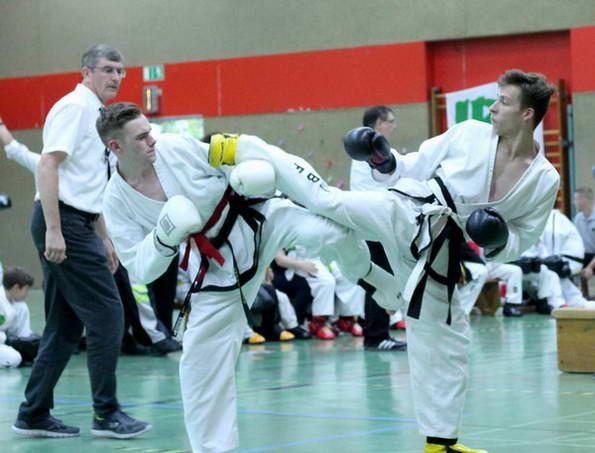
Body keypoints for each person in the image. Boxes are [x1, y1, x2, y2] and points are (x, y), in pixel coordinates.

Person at [208, 69, 560, 453]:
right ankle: (247, 147)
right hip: (407, 207)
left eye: (504, 102)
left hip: (439, 253)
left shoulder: (544, 179)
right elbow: (414, 166)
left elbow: (522, 238)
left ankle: (441, 442)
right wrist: (383, 160)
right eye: (496, 98)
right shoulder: (470, 133)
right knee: (329, 202)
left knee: (448, 343)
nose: (493, 107)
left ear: (528, 114)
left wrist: (498, 240)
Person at [96, 102, 391, 453]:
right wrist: (163, 237)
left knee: (334, 231)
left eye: (150, 130)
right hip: (217, 270)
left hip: (260, 221)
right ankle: (213, 449)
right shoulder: (115, 201)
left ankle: (378, 281)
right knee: (199, 364)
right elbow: (140, 269)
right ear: (116, 147)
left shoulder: (178, 147)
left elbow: (240, 153)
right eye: (142, 137)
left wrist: (256, 172)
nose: (152, 140)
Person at [12, 44, 151, 439]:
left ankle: (34, 412)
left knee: (63, 326)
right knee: (109, 315)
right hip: (64, 223)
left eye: (121, 71)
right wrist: (55, 230)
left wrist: (103, 236)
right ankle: (107, 414)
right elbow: (47, 164)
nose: (116, 77)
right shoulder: (74, 108)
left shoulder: (98, 116)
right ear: (87, 72)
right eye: (108, 69)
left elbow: (92, 183)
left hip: (80, 223)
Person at [0, 114, 178, 356]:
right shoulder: (46, 165)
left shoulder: (100, 168)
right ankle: (77, 342)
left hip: (105, 239)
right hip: (73, 241)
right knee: (79, 297)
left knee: (123, 294)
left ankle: (135, 337)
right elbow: (16, 150)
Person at [350, 106, 407, 350]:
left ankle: (379, 332)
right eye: (390, 121)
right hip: (373, 224)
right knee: (381, 279)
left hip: (378, 223)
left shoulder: (378, 151)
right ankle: (376, 336)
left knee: (385, 277)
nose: (395, 126)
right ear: (378, 125)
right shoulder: (370, 150)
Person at [0, 266, 39, 367]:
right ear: (17, 288)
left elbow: (23, 334)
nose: (27, 294)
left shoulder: (21, 306)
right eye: (26, 290)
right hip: (3, 340)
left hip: (4, 342)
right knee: (14, 358)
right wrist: (6, 340)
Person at [574, 187, 595, 282]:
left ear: (583, 201)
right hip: (585, 255)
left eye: (575, 199)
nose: (573, 203)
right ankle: (580, 295)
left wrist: (590, 267)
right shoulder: (578, 219)